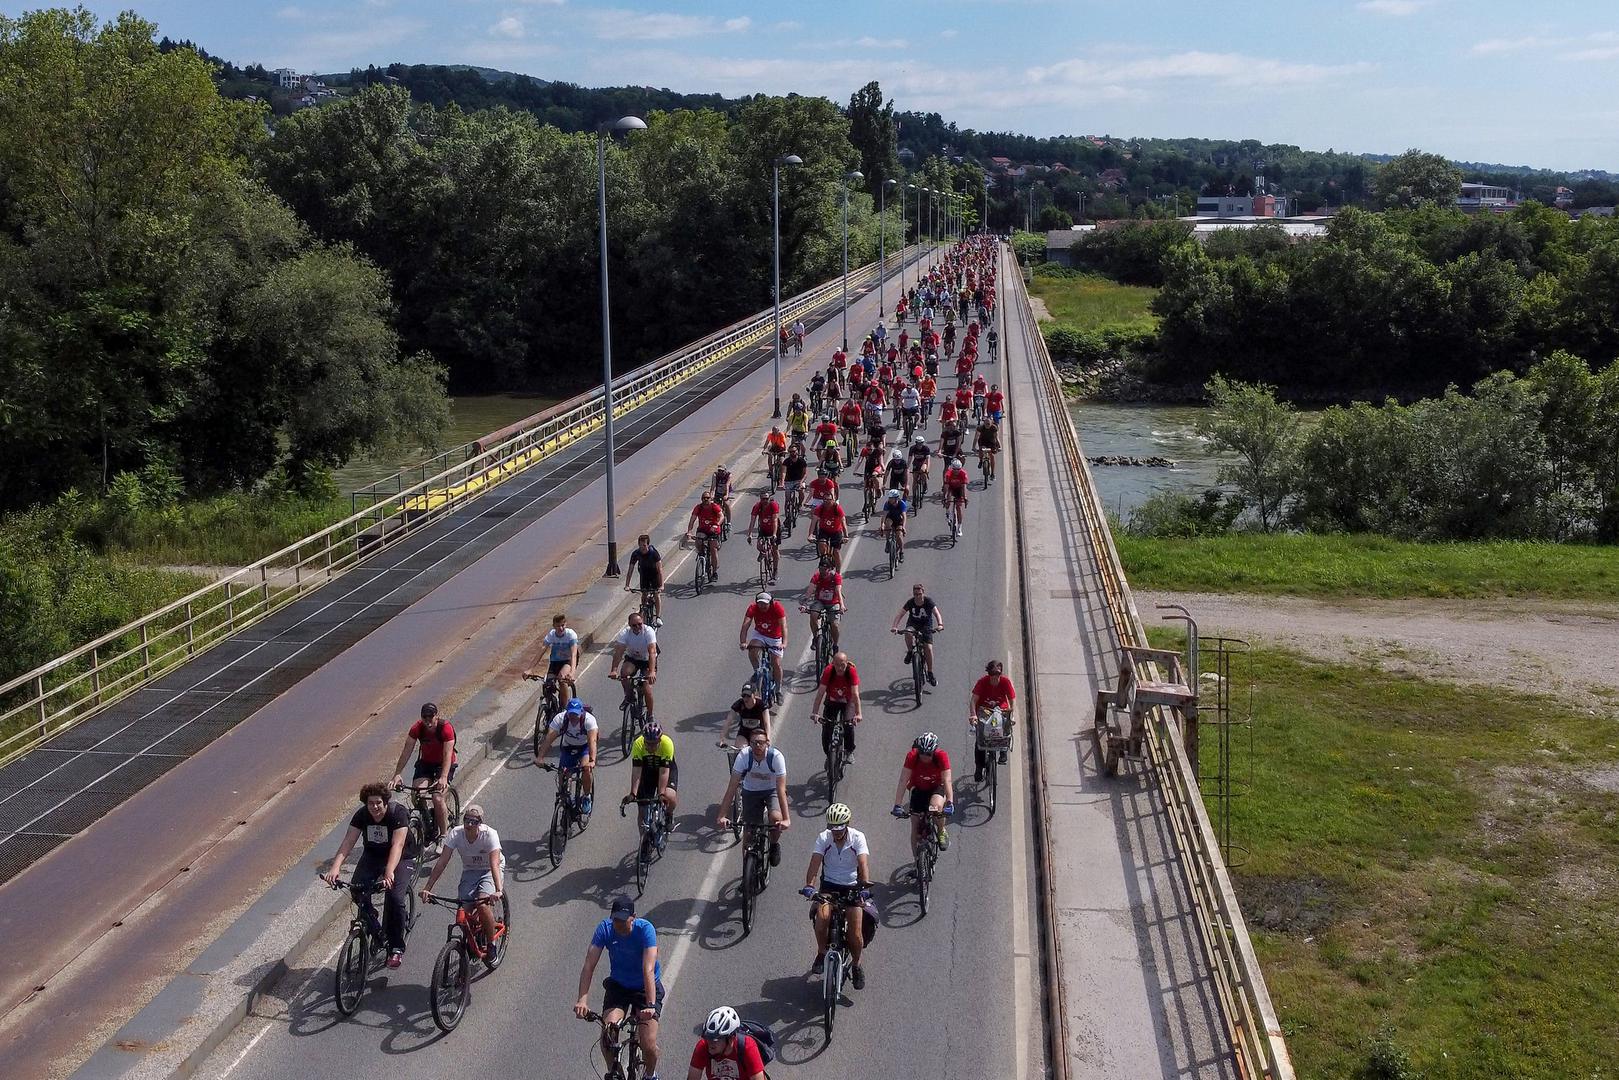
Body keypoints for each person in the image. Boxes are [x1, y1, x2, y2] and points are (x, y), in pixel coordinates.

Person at [323, 781, 415, 968]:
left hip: (401, 857)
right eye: (370, 803)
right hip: (373, 855)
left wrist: (389, 872)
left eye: (378, 803)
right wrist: (335, 867)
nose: (374, 807)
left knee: (395, 899)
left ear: (385, 802)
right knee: (357, 889)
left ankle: (396, 947)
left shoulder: (398, 814)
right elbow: (348, 841)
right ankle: (372, 919)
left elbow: (397, 845)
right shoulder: (362, 816)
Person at [575, 896, 664, 1080]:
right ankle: (616, 1072)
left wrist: (650, 1004)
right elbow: (589, 965)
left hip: (645, 988)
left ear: (634, 917)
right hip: (619, 986)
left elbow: (648, 969)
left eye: (623, 920)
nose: (619, 924)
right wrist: (582, 1000)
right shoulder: (605, 929)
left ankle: (651, 1074)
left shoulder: (645, 929)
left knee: (648, 1044)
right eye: (615, 919)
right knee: (608, 1034)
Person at [800, 803, 871, 989]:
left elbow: (863, 865)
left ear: (847, 824)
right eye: (832, 828)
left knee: (855, 934)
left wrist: (864, 887)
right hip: (829, 886)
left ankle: (856, 965)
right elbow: (815, 863)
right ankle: (822, 952)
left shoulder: (857, 838)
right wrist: (809, 886)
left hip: (852, 887)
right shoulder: (824, 838)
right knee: (822, 917)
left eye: (839, 828)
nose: (836, 832)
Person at [419, 803, 505, 953]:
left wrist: (498, 890)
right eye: (466, 820)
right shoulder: (456, 834)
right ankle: (472, 939)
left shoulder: (490, 835)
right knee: (463, 910)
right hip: (470, 871)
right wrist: (427, 888)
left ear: (480, 824)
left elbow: (494, 863)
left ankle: (492, 944)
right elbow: (442, 862)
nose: (469, 825)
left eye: (474, 822)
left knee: (482, 904)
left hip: (489, 870)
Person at [715, 729, 790, 865]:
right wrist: (722, 815)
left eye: (760, 743)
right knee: (748, 832)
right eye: (754, 743)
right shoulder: (744, 756)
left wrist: (786, 819)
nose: (757, 746)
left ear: (767, 743)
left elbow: (781, 789)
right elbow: (732, 787)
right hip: (751, 791)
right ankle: (746, 873)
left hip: (771, 790)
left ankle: (773, 844)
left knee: (775, 819)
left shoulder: (776, 757)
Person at [390, 702, 456, 844]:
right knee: (417, 794)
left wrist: (443, 777)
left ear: (436, 715)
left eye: (430, 717)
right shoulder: (417, 728)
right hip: (426, 763)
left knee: (437, 798)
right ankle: (428, 823)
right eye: (424, 717)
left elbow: (447, 754)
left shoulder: (446, 728)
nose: (427, 721)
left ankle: (444, 835)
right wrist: (397, 773)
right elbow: (407, 750)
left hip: (443, 764)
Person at [891, 732, 955, 854]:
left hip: (936, 786)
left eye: (928, 754)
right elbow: (903, 780)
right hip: (918, 787)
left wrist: (950, 802)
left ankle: (941, 830)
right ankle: (917, 862)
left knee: (935, 807)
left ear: (934, 752)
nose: (925, 757)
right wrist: (897, 805)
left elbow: (947, 780)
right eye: (922, 753)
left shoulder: (941, 756)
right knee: (915, 826)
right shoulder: (912, 756)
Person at [535, 698, 600, 814]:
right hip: (568, 747)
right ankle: (565, 799)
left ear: (581, 712)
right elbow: (548, 739)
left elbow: (592, 741)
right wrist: (540, 757)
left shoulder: (589, 720)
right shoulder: (560, 719)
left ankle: (586, 797)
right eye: (571, 714)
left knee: (586, 769)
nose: (573, 717)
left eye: (576, 714)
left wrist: (592, 760)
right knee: (563, 774)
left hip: (584, 747)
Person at [625, 718, 678, 834]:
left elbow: (664, 772)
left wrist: (661, 794)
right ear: (644, 740)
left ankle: (669, 815)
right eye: (648, 743)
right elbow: (636, 770)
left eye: (654, 744)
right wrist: (633, 793)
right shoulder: (638, 745)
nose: (651, 747)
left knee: (670, 796)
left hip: (665, 769)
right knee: (642, 809)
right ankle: (643, 840)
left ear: (659, 740)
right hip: (647, 770)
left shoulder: (667, 744)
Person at [968, 660, 1018, 782]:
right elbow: (973, 700)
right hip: (984, 711)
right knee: (980, 740)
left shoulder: (1005, 682)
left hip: (1001, 710)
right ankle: (979, 768)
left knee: (1005, 726)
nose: (995, 679)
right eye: (992, 676)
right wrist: (973, 715)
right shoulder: (982, 682)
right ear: (989, 674)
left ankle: (1003, 752)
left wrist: (1012, 715)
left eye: (997, 675)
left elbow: (1012, 699)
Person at [689, 1006, 768, 1080]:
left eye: (716, 1039)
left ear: (730, 1039)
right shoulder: (703, 1045)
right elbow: (693, 1077)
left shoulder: (747, 1046)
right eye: (708, 1038)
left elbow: (758, 1078)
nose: (710, 1043)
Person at [810, 652, 862, 763]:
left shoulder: (851, 671)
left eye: (842, 665)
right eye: (837, 665)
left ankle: (849, 751)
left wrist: (858, 714)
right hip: (832, 700)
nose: (839, 668)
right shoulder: (829, 671)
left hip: (848, 701)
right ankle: (829, 756)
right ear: (833, 664)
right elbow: (820, 693)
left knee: (848, 725)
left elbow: (855, 694)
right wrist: (815, 712)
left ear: (846, 664)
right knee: (827, 728)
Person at [739, 591, 788, 704]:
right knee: (752, 650)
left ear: (771, 602)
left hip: (775, 637)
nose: (762, 606)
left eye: (765, 604)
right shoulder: (753, 607)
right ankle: (757, 671)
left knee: (776, 663)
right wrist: (743, 642)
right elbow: (745, 625)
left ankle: (778, 691)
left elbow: (784, 626)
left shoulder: (777, 607)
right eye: (760, 604)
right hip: (760, 634)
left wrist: (784, 643)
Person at [891, 584, 944, 685]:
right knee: (907, 632)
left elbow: (937, 613)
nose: (917, 596)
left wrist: (940, 624)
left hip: (926, 625)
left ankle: (930, 672)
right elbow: (900, 614)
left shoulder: (928, 601)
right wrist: (895, 626)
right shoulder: (911, 602)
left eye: (919, 594)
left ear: (923, 593)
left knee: (928, 648)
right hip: (913, 624)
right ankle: (910, 652)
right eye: (915, 594)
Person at [611, 610, 659, 721]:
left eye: (639, 624)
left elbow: (652, 652)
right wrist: (614, 670)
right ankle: (629, 696)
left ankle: (650, 715)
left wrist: (651, 672)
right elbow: (619, 652)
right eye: (634, 625)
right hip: (633, 658)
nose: (637, 627)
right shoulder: (625, 633)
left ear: (643, 622)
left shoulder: (648, 631)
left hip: (647, 660)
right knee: (624, 674)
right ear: (629, 625)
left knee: (647, 688)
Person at [524, 612, 580, 700]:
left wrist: (572, 673)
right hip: (555, 661)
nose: (561, 628)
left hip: (568, 660)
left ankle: (564, 709)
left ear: (566, 624)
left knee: (561, 678)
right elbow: (541, 651)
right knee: (548, 684)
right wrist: (530, 669)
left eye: (563, 625)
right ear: (553, 626)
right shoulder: (551, 635)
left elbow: (574, 654)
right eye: (558, 626)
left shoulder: (571, 634)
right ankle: (550, 706)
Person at [624, 534, 664, 627]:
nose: (643, 548)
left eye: (644, 545)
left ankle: (658, 617)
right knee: (644, 594)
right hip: (644, 575)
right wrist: (627, 585)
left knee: (656, 594)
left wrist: (661, 585)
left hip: (654, 575)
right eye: (641, 545)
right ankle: (644, 612)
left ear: (648, 545)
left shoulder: (654, 553)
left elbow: (660, 570)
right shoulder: (636, 554)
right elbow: (630, 570)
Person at [803, 561, 845, 650]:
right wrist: (804, 604)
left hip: (833, 602)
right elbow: (810, 590)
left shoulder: (836, 577)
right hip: (820, 601)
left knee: (834, 625)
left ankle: (835, 645)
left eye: (824, 569)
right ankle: (815, 637)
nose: (822, 571)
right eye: (820, 569)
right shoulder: (817, 576)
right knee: (813, 614)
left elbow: (838, 591)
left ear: (830, 569)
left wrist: (841, 605)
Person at [685, 490, 725, 578]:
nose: (706, 499)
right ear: (701, 499)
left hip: (713, 530)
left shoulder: (714, 506)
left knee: (713, 550)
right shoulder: (698, 507)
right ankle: (702, 556)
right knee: (698, 543)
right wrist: (689, 531)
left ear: (711, 499)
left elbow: (721, 516)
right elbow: (692, 520)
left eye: (707, 498)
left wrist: (717, 524)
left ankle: (714, 572)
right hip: (702, 530)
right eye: (704, 498)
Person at [746, 490, 782, 585]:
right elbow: (752, 521)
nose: (765, 500)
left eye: (767, 498)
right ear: (760, 499)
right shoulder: (757, 506)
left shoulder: (773, 505)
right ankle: (763, 552)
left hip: (774, 528)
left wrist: (774, 534)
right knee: (759, 545)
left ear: (769, 498)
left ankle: (775, 570)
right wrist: (749, 534)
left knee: (775, 549)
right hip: (763, 528)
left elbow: (775, 520)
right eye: (763, 499)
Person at [725, 683, 771, 747]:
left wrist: (768, 738)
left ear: (754, 694)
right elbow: (728, 721)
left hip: (758, 733)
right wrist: (722, 738)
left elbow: (766, 723)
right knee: (740, 750)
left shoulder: (762, 705)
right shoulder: (739, 704)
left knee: (758, 749)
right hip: (744, 733)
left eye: (748, 696)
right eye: (744, 695)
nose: (746, 698)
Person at [811, 496, 848, 571]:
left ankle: (838, 572)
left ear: (833, 500)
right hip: (824, 530)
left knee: (836, 552)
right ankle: (824, 557)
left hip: (836, 531)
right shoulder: (820, 508)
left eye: (829, 500)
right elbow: (813, 522)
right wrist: (810, 535)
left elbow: (843, 522)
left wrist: (846, 536)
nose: (827, 502)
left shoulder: (837, 508)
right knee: (821, 544)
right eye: (825, 500)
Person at [878, 488, 908, 560]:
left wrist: (903, 527)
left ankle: (901, 552)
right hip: (890, 518)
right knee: (887, 524)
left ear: (896, 498)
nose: (890, 499)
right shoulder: (887, 504)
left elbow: (904, 516)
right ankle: (888, 541)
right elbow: (884, 515)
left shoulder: (901, 504)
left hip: (898, 520)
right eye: (889, 498)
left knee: (899, 536)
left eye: (891, 498)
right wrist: (882, 525)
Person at [942, 457, 970, 532]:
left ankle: (960, 527)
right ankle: (947, 512)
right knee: (948, 499)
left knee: (959, 508)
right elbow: (946, 486)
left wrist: (965, 498)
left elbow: (964, 487)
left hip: (959, 489)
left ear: (961, 468)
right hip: (951, 488)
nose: (956, 471)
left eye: (958, 469)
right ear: (952, 468)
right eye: (955, 469)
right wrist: (944, 497)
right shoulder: (948, 474)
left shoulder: (963, 474)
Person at [782, 443, 808, 518]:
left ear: (797, 451)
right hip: (788, 481)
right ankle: (787, 516)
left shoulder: (801, 461)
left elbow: (805, 473)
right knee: (787, 499)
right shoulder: (786, 461)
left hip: (799, 480)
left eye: (794, 451)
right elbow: (784, 472)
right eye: (790, 452)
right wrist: (782, 482)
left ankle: (799, 504)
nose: (792, 453)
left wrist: (801, 482)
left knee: (801, 491)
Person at [711, 464, 735, 531]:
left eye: (722, 471)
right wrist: (711, 495)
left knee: (726, 504)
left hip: (726, 492)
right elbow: (713, 486)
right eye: (719, 471)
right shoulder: (715, 475)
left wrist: (726, 495)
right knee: (714, 506)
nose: (720, 472)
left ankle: (729, 522)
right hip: (718, 492)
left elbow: (727, 485)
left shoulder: (729, 475)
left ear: (725, 471)